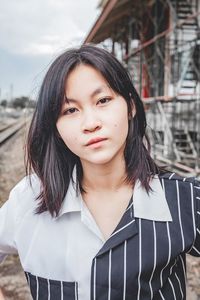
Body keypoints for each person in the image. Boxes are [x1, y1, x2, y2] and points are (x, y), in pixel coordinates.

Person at [0, 44, 199, 300]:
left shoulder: (182, 198)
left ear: (130, 106)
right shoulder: (29, 200)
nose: (91, 123)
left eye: (103, 101)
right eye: (70, 110)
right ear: (56, 126)